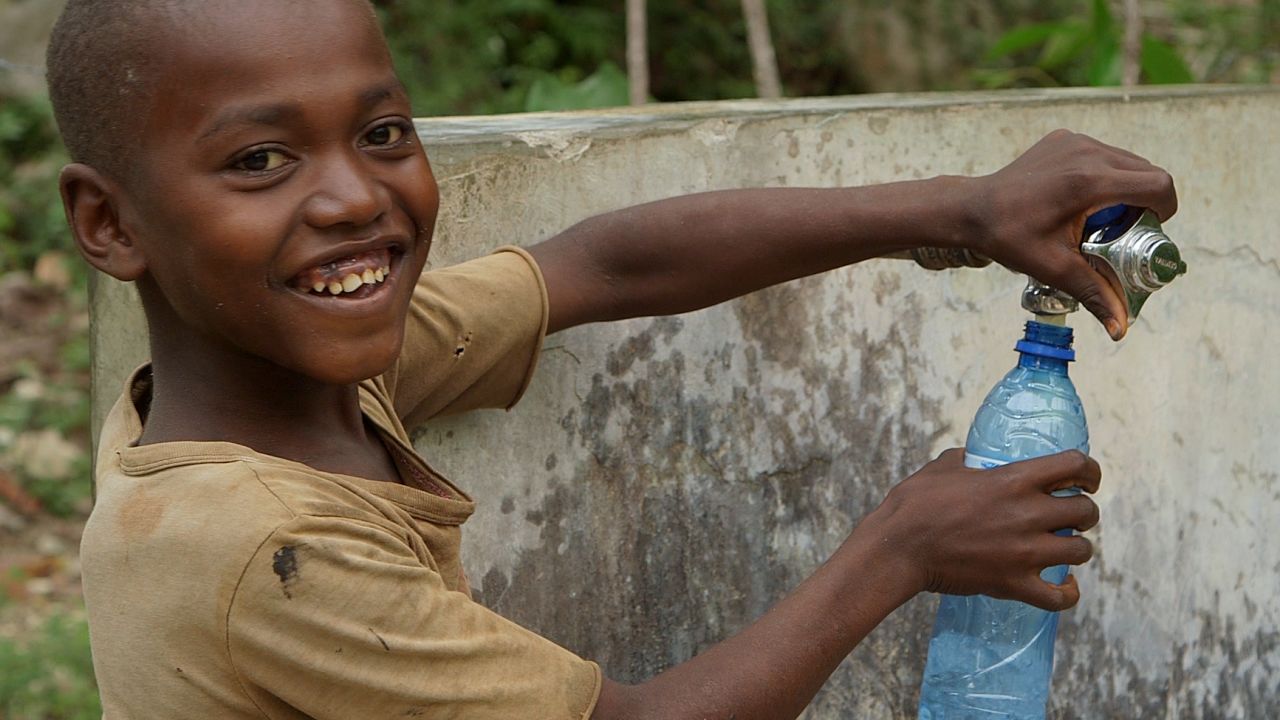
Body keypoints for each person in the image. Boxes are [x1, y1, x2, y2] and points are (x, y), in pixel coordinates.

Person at [47, 0, 1177, 718]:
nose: (353, 196)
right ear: (109, 225)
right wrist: (896, 550)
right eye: (259, 158)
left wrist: (962, 209)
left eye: (383, 133)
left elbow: (602, 267)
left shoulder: (310, 382)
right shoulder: (257, 548)